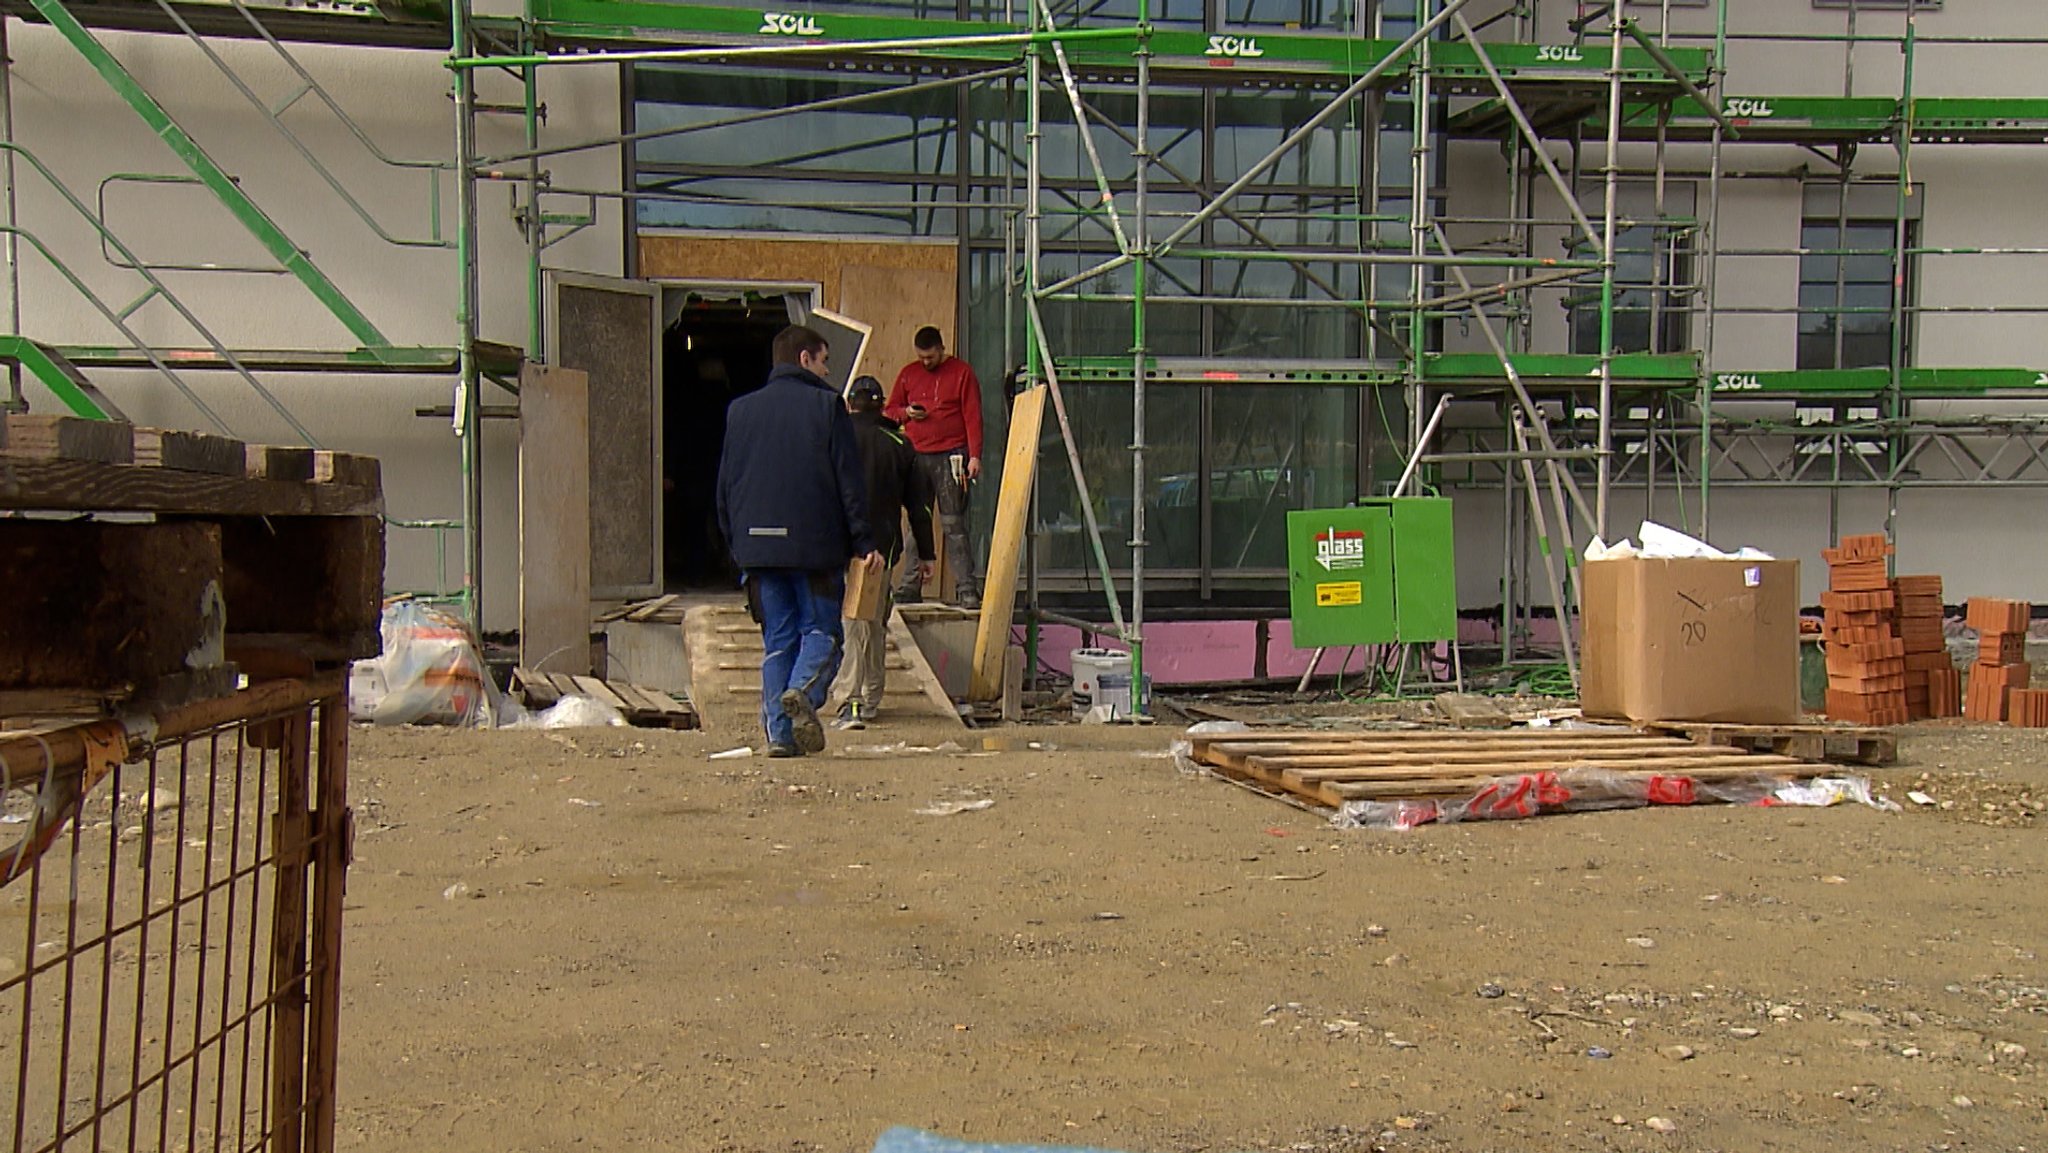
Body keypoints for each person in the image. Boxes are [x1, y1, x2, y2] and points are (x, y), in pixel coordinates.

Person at [716, 325, 881, 757]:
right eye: (824, 361)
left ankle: (780, 737)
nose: (827, 371)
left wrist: (738, 547)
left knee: (779, 641)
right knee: (823, 633)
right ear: (805, 359)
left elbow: (725, 487)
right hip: (814, 549)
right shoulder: (828, 407)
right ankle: (803, 692)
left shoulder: (740, 411)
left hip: (757, 551)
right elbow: (849, 483)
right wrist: (863, 542)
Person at [830, 375, 936, 731]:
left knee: (852, 623)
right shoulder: (900, 444)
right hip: (882, 548)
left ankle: (850, 700)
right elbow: (919, 506)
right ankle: (871, 695)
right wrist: (927, 554)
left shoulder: (836, 437)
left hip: (838, 546)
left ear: (850, 404)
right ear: (883, 405)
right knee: (872, 621)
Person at [883, 325, 983, 609]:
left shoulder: (962, 373)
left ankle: (966, 588)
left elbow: (973, 416)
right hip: (916, 456)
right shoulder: (908, 374)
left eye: (930, 357)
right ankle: (910, 586)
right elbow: (890, 411)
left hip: (952, 456)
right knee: (917, 522)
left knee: (954, 524)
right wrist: (907, 413)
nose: (926, 362)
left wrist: (974, 456)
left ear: (941, 349)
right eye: (921, 357)